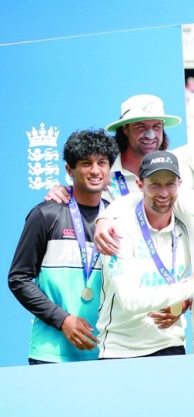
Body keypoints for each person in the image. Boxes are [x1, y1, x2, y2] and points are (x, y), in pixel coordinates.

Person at [95, 151, 194, 358]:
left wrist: (185, 300)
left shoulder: (187, 227)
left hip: (172, 344)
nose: (164, 192)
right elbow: (131, 301)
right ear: (140, 185)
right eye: (155, 184)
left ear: (180, 184)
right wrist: (192, 285)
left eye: (170, 184)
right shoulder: (118, 231)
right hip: (121, 349)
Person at [8, 129, 119, 363]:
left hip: (107, 352)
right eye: (86, 163)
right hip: (51, 353)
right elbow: (19, 278)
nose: (95, 170)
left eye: (102, 163)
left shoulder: (118, 218)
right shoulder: (45, 215)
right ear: (70, 170)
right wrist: (62, 319)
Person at [103, 94, 194, 201]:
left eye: (156, 126)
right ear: (125, 129)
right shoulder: (106, 176)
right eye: (141, 127)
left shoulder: (181, 168)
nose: (150, 135)